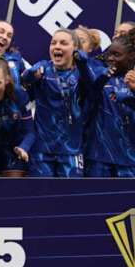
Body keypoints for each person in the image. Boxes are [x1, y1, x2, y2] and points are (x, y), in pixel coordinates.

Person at [21, 29, 96, 177]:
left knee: (70, 192)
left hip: (71, 149)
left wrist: (83, 65)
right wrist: (31, 76)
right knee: (41, 191)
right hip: (42, 148)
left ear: (75, 48)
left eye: (63, 43)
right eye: (53, 43)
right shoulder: (43, 67)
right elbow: (24, 81)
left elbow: (93, 88)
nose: (57, 46)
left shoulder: (82, 72)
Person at [84, 31, 135, 177]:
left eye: (116, 55)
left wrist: (134, 91)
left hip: (130, 156)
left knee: (132, 194)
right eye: (109, 54)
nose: (111, 58)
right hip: (98, 156)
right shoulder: (99, 75)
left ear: (131, 56)